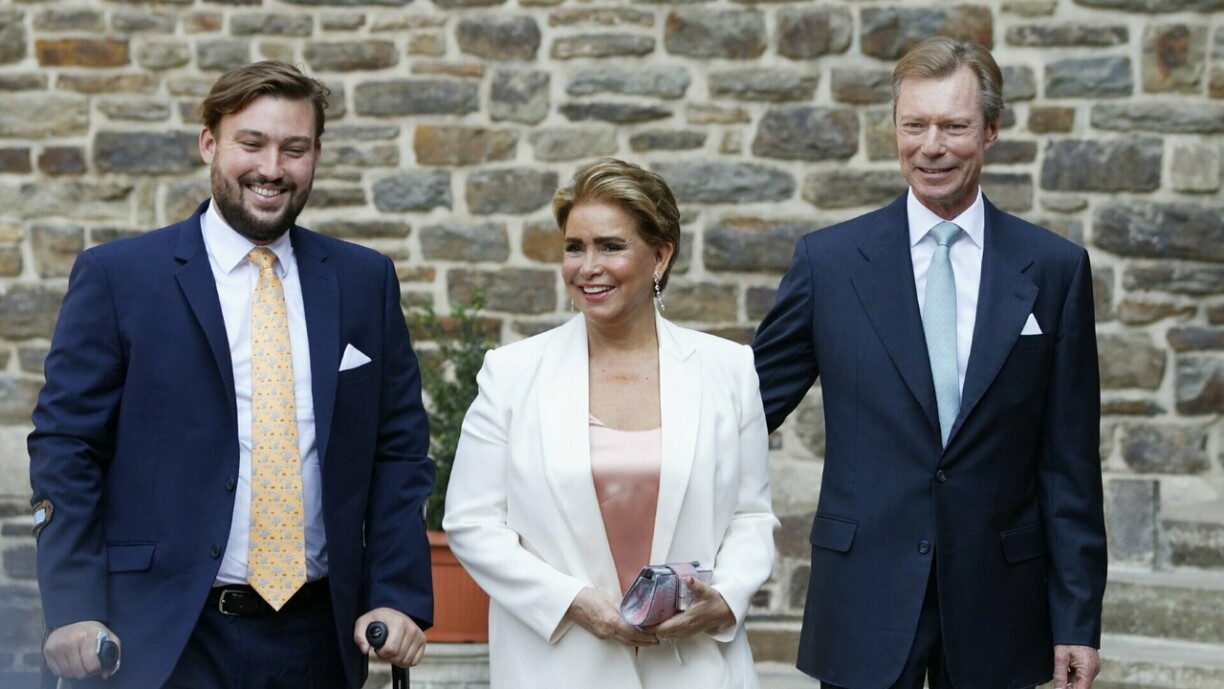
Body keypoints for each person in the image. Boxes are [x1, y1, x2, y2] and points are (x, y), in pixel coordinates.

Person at [28, 61, 434, 689]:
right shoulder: (119, 278)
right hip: (164, 639)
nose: (272, 168)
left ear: (315, 155)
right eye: (252, 143)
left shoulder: (364, 281)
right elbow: (68, 446)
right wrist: (75, 607)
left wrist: (398, 594)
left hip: (319, 638)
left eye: (294, 149)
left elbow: (398, 451)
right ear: (210, 143)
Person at [752, 37, 1106, 689]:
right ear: (895, 129)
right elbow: (741, 412)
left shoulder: (1055, 270)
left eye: (954, 126)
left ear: (992, 130)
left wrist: (1077, 618)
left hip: (998, 603)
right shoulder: (828, 264)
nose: (931, 145)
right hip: (863, 598)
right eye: (914, 125)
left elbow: (1070, 465)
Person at [443, 158, 779, 687]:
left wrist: (727, 599)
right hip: (559, 666)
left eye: (611, 246)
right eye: (575, 247)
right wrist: (573, 603)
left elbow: (752, 517)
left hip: (696, 669)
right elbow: (471, 523)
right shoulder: (510, 374)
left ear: (661, 256)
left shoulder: (728, 370)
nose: (587, 266)